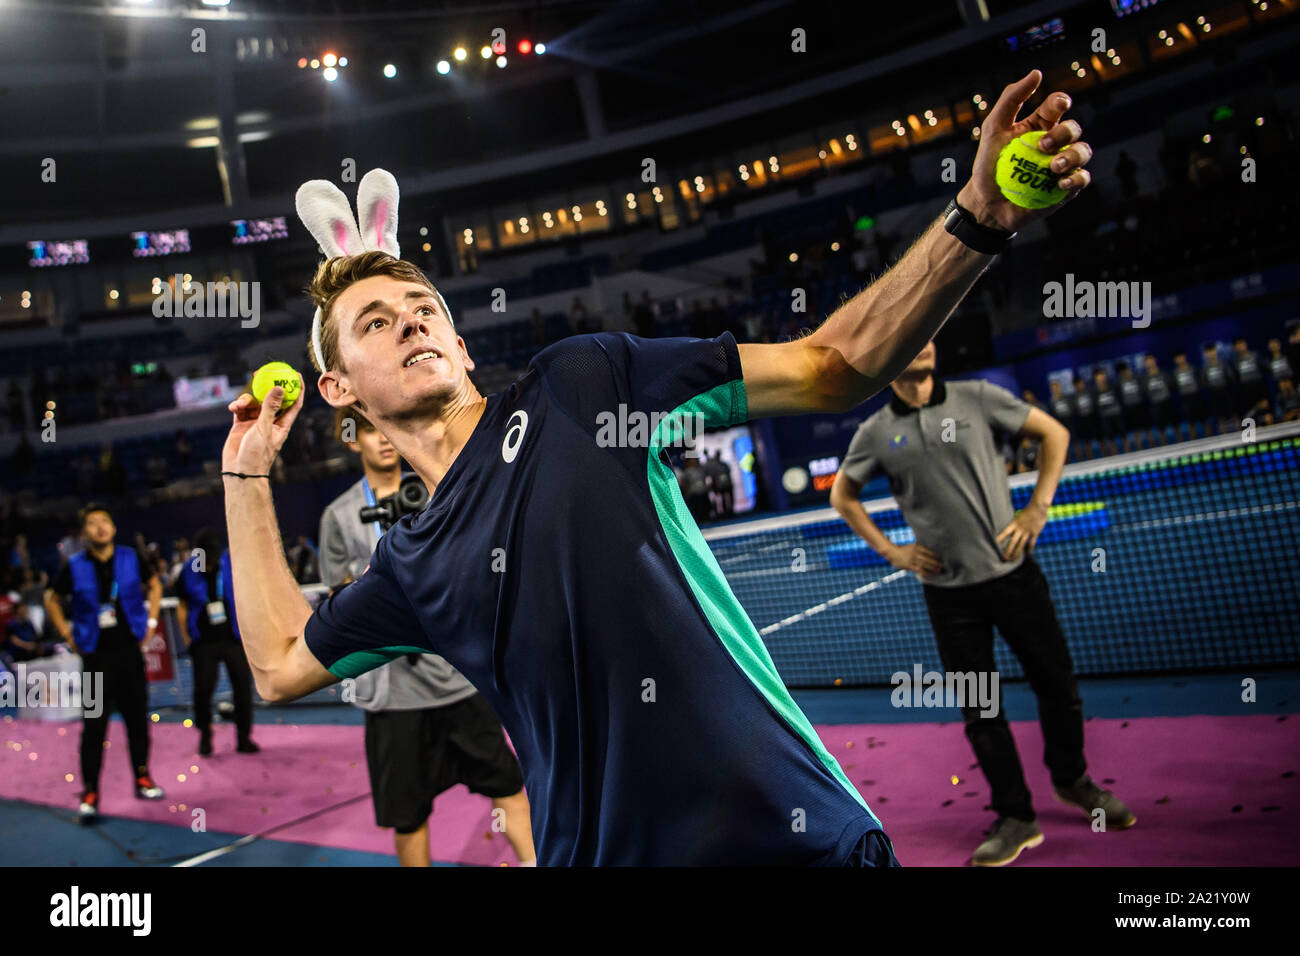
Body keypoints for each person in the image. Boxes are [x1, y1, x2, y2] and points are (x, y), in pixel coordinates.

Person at [221, 69, 1094, 865]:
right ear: (336, 388)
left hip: (799, 847)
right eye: (375, 322)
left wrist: (976, 217)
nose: (410, 321)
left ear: (455, 337)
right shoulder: (411, 565)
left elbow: (835, 366)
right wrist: (248, 475)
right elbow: (279, 663)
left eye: (424, 307)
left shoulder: (581, 383)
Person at [830, 342, 1134, 867]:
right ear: (892, 355)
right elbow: (843, 495)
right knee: (981, 709)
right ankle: (1016, 816)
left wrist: (1037, 510)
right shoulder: (876, 432)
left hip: (1015, 578)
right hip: (950, 597)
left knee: (1057, 685)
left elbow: (1054, 434)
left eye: (933, 336)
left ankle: (1071, 779)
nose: (927, 342)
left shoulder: (978, 397)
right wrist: (892, 551)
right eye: (916, 335)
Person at [318, 407, 535, 867]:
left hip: (460, 679)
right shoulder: (338, 515)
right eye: (368, 431)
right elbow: (337, 601)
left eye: (385, 428)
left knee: (509, 788)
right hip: (393, 697)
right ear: (351, 440)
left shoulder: (442, 484)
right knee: (408, 817)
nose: (381, 439)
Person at [44, 504, 165, 821]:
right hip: (96, 659)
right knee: (94, 727)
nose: (100, 527)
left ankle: (142, 776)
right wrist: (69, 636)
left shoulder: (130, 556)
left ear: (112, 527)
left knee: (138, 721)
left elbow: (154, 585)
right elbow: (51, 600)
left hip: (129, 654)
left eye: (105, 521)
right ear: (84, 533)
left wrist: (151, 624)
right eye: (93, 523)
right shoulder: (73, 565)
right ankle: (90, 791)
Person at [176, 528, 258, 757]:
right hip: (203, 642)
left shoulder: (231, 564)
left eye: (212, 560)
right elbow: (182, 604)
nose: (209, 565)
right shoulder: (189, 570)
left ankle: (244, 737)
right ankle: (205, 735)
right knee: (202, 691)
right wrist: (187, 637)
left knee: (243, 688)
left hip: (233, 638)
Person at [1141, 354, 1175, 445]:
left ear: (1155, 360)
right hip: (1155, 404)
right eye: (1147, 361)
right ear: (1145, 364)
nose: (1150, 363)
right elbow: (1144, 392)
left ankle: (1183, 445)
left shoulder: (1163, 373)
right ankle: (1164, 446)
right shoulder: (1145, 379)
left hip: (1167, 401)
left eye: (1151, 360)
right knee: (1160, 428)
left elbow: (1171, 386)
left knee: (1176, 424)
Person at [1171, 351, 1206, 439]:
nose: (1180, 359)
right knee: (1190, 421)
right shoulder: (1175, 373)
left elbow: (1200, 381)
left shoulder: (1193, 368)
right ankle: (1193, 441)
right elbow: (1174, 386)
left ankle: (1210, 438)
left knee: (1203, 419)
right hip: (1185, 399)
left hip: (1196, 395)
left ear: (1185, 357)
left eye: (1181, 357)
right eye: (1177, 358)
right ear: (1175, 360)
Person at [1070, 374, 1095, 460]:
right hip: (1082, 420)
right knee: (1086, 441)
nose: (1079, 385)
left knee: (1100, 439)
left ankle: (1107, 457)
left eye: (1080, 383)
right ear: (1074, 386)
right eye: (1077, 384)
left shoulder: (1090, 392)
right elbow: (1073, 410)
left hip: (1092, 418)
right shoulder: (1073, 397)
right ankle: (1089, 459)